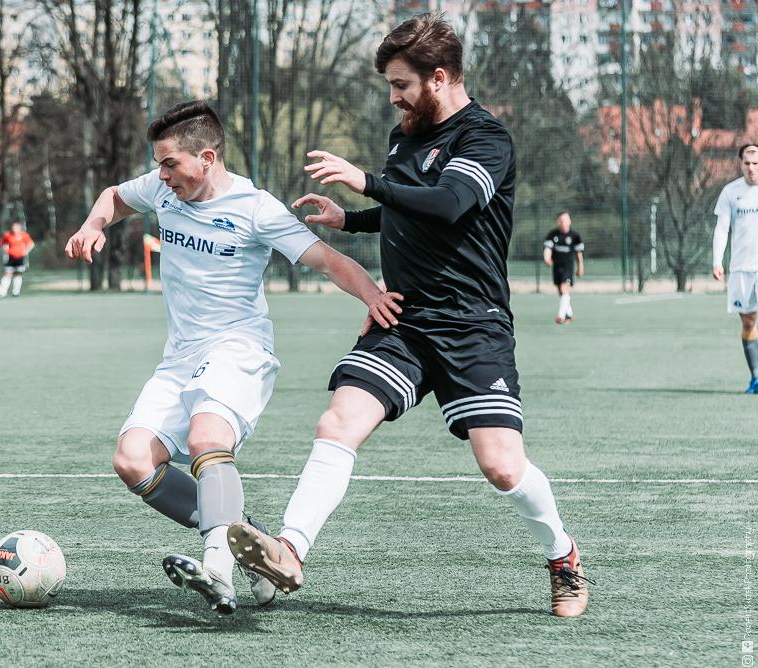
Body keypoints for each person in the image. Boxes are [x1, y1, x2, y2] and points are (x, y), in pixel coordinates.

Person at [228, 14, 591, 618]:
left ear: (439, 78)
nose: (393, 97)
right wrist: (350, 219)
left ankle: (563, 557)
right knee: (338, 422)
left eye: (401, 84)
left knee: (502, 467)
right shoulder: (405, 135)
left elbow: (448, 204)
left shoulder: (485, 138)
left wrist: (366, 183)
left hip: (472, 325)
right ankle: (290, 550)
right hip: (404, 318)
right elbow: (409, 207)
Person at [64, 100, 402, 616]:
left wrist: (374, 297)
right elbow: (114, 196)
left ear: (206, 157)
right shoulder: (161, 189)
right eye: (158, 165)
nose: (161, 175)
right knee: (132, 461)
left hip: (239, 349)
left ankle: (217, 569)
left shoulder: (255, 208)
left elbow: (327, 260)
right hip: (180, 356)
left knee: (207, 437)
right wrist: (94, 224)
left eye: (170, 164)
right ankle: (249, 540)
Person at [713, 142, 758, 394]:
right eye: (747, 163)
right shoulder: (731, 192)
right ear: (741, 164)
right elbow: (722, 229)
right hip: (741, 269)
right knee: (749, 323)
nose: (752, 168)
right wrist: (716, 261)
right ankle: (756, 377)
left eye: (756, 163)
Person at [543, 210, 584, 324]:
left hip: (568, 267)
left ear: (570, 221)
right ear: (558, 222)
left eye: (565, 220)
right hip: (557, 267)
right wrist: (547, 258)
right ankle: (569, 314)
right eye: (561, 220)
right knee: (561, 291)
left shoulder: (575, 236)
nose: (563, 222)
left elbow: (579, 254)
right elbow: (547, 249)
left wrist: (580, 267)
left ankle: (560, 316)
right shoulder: (553, 235)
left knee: (564, 288)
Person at [0, 221, 34, 297]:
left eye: (16, 227)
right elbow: (2, 244)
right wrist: (5, 249)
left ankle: (16, 292)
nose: (15, 228)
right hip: (10, 257)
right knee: (7, 274)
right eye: (13, 227)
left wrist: (26, 251)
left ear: (19, 228)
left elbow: (31, 244)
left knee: (18, 274)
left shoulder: (23, 235)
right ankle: (2, 292)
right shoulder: (7, 235)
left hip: (20, 257)